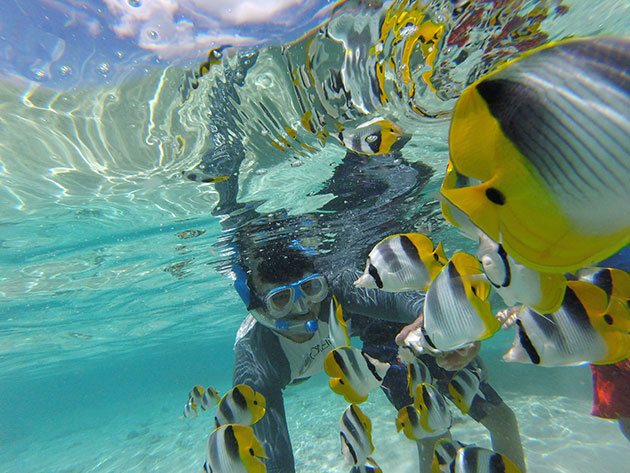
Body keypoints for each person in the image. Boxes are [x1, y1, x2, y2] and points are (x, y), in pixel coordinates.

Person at [231, 238, 527, 472]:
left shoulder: (337, 287)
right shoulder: (257, 357)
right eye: (280, 299)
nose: (303, 307)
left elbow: (407, 301)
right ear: (256, 306)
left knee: (501, 419)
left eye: (310, 289)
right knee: (431, 436)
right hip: (373, 353)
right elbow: (276, 462)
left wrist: (446, 328)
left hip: (392, 335)